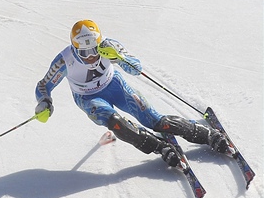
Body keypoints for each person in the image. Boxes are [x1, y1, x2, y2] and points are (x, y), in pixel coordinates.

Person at [34, 20, 228, 167]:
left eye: (94, 49)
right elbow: (44, 85)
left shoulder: (108, 45)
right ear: (75, 50)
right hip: (89, 98)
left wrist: (120, 58)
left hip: (115, 86)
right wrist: (44, 102)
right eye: (84, 53)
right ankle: (160, 147)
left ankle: (206, 135)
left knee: (157, 121)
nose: (91, 56)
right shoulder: (64, 60)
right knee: (115, 122)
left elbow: (137, 69)